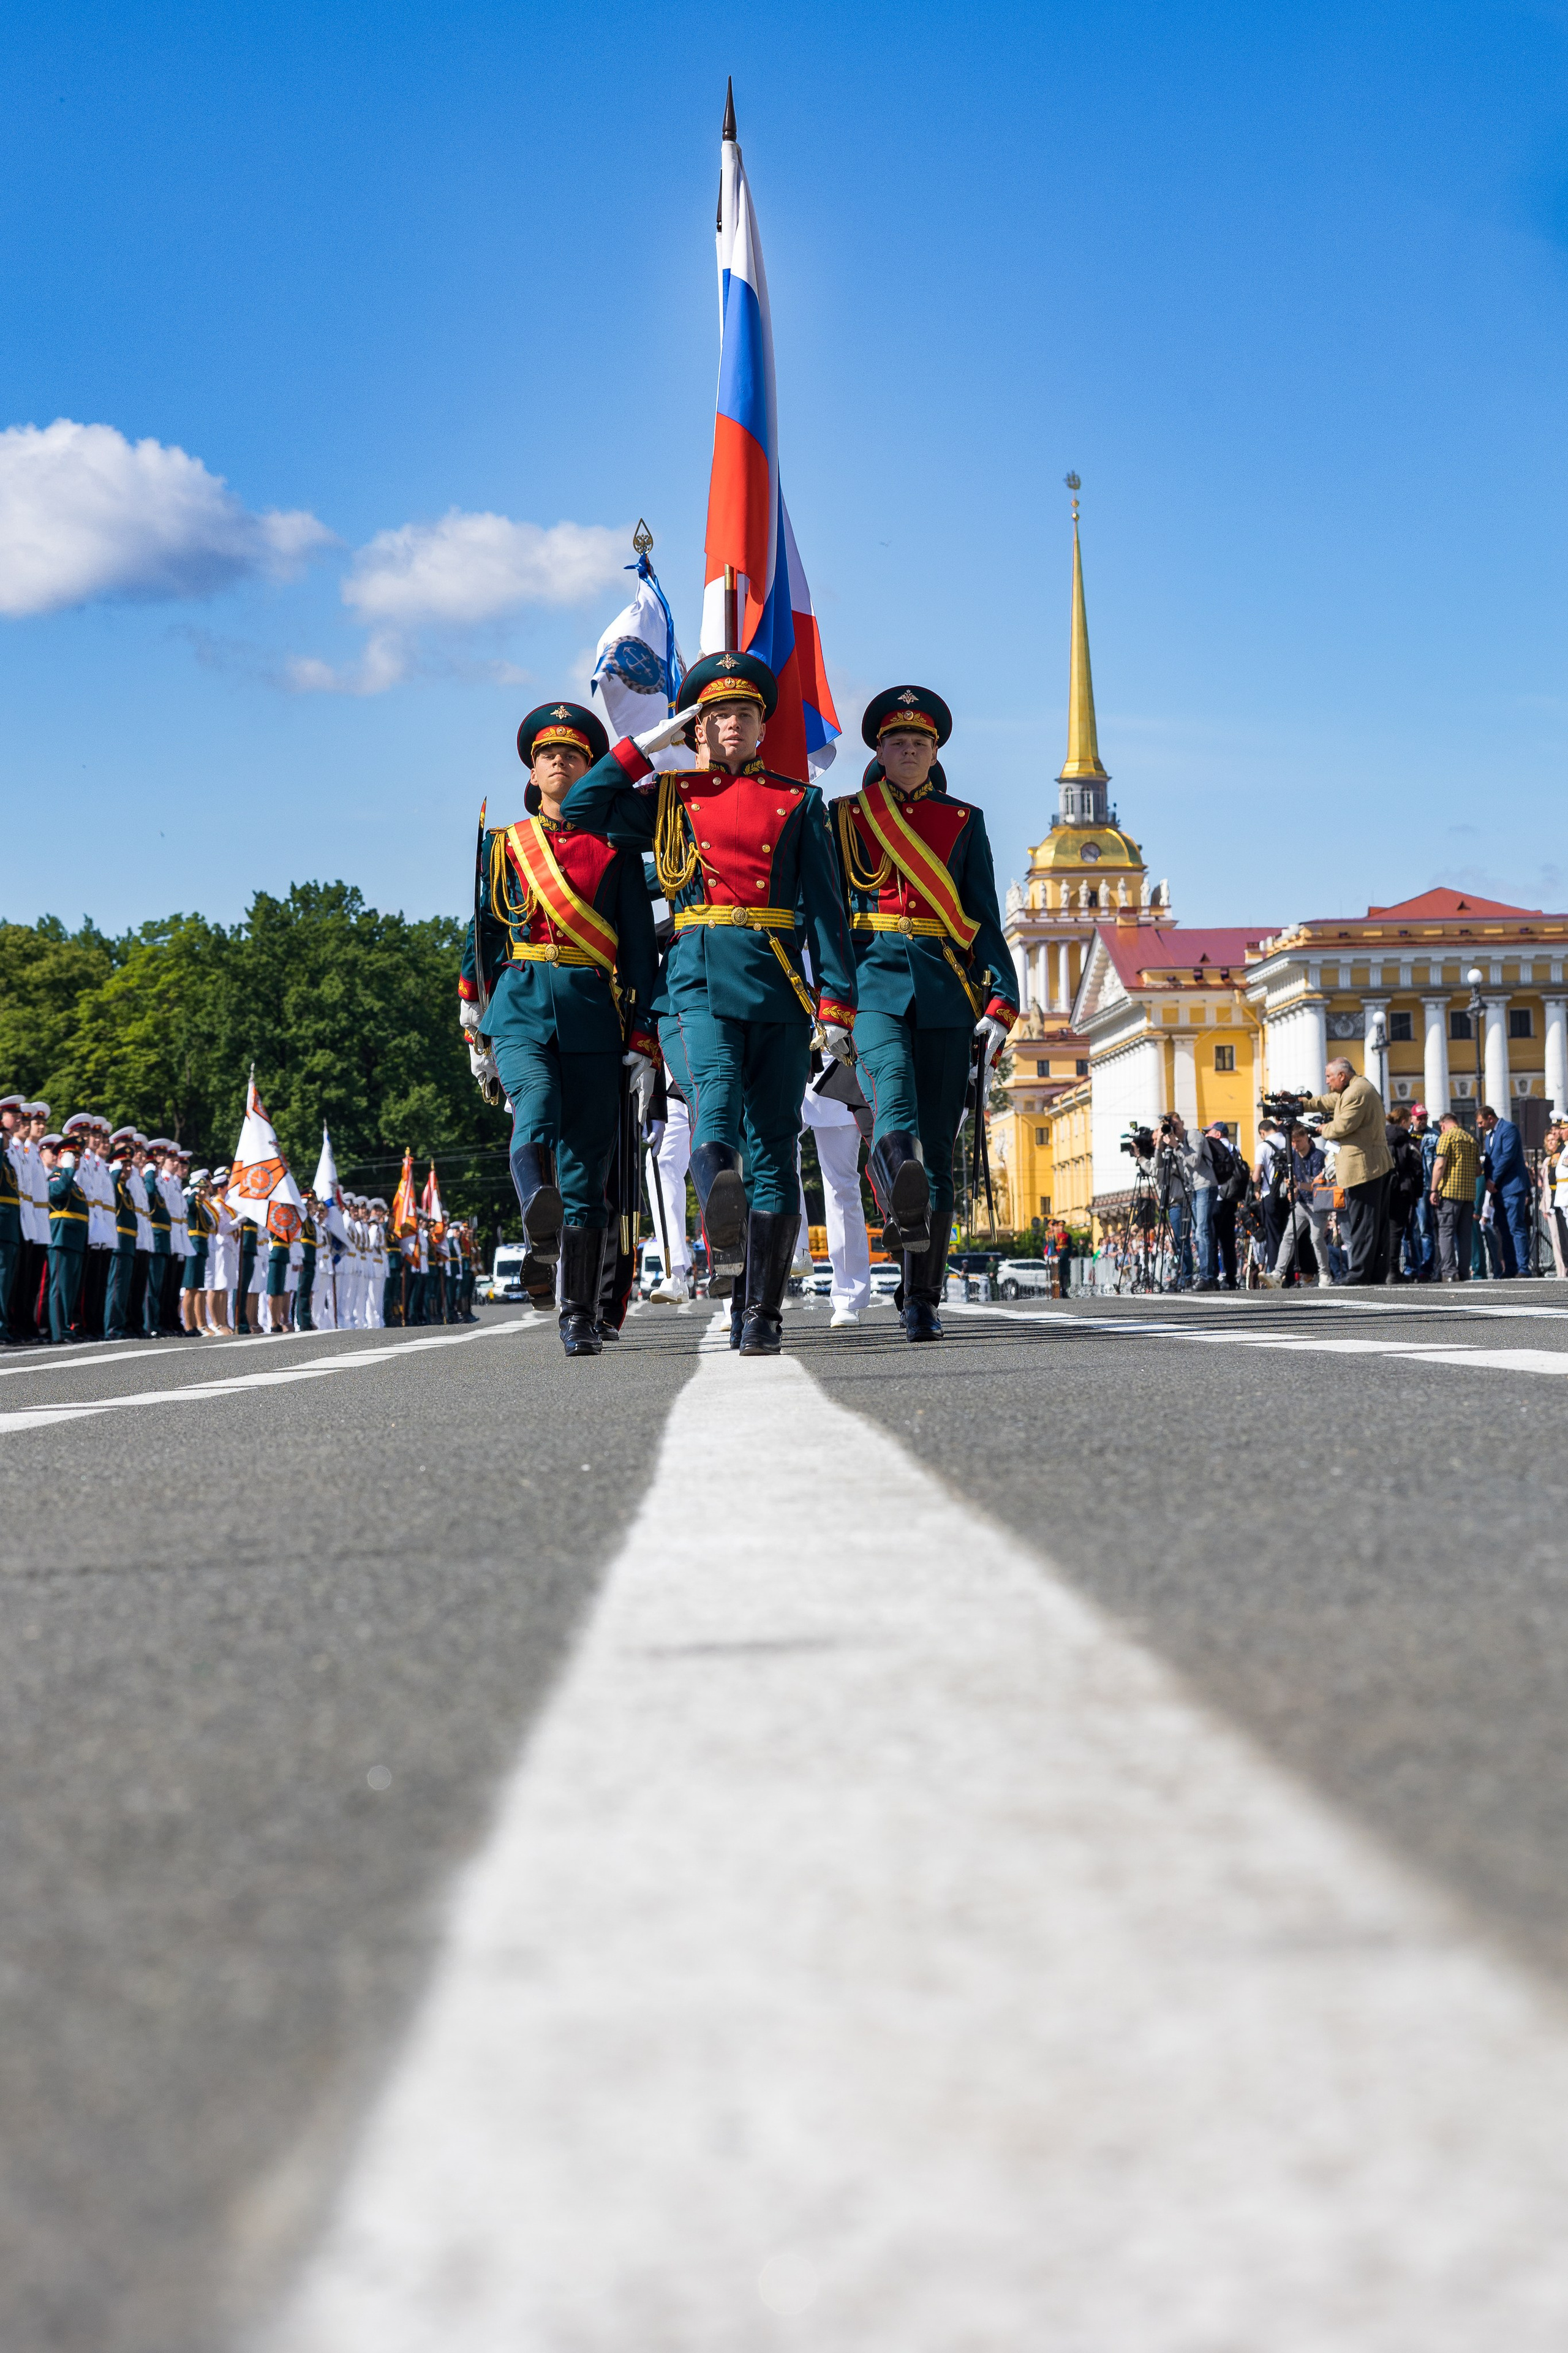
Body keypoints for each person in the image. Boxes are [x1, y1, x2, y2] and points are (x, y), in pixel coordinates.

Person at [560, 657, 858, 1357]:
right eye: (717, 715)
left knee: (776, 1145)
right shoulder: (669, 797)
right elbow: (580, 808)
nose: (732, 725)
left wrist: (837, 1003)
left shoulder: (798, 801)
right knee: (715, 1107)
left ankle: (761, 1310)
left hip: (776, 986)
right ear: (697, 728)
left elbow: (826, 911)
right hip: (695, 982)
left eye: (745, 714)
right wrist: (646, 745)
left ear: (761, 727)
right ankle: (725, 1239)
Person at [831, 684, 1017, 1339]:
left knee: (936, 1151)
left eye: (920, 742)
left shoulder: (964, 820)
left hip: (945, 992)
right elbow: (827, 917)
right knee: (896, 1110)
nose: (908, 750)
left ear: (935, 753)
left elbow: (984, 916)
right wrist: (830, 999)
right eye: (897, 741)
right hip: (873, 988)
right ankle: (899, 1214)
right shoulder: (844, 818)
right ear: (879, 752)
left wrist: (1002, 999)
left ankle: (921, 1299)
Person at [1300, 1059, 1393, 1285]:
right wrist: (1300, 1104)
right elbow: (1327, 1101)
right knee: (1374, 1224)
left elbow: (1343, 1126)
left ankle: (1359, 1273)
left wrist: (1323, 1129)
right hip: (1371, 1165)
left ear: (1342, 1076)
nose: (1327, 1082)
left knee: (1363, 1223)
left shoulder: (1356, 1092)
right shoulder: (1354, 1088)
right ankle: (1374, 1273)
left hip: (1364, 1167)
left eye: (1329, 1077)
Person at [801, 1081, 871, 1327]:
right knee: (770, 1161)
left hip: (834, 1073)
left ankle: (848, 1295)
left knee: (841, 1185)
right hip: (780, 1065)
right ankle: (795, 1248)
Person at [1261, 1124, 1333, 1288]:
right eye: (1293, 1142)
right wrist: (1292, 1190)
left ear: (1307, 1138)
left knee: (1316, 1239)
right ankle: (1278, 1273)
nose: (1295, 1145)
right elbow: (1294, 1182)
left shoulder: (1317, 1157)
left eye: (1298, 1141)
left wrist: (1297, 1185)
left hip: (1317, 1204)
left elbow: (1317, 1185)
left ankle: (1324, 1273)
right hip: (1302, 1203)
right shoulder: (1293, 1156)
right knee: (1289, 1236)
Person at [1478, 1104, 1534, 1278]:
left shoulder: (1509, 1129)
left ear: (1490, 1118)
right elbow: (1490, 1162)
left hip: (1513, 1187)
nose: (1479, 1126)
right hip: (1499, 1191)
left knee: (1516, 1226)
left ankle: (1523, 1267)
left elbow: (1507, 1157)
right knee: (1503, 1229)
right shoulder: (1489, 1137)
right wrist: (1489, 1183)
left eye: (1481, 1122)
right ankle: (1510, 1268)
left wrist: (1493, 1180)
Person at [1430, 1110, 1479, 1280]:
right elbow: (1478, 1170)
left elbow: (1440, 1164)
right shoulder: (1471, 1139)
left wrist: (1434, 1189)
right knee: (1465, 1235)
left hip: (1450, 1193)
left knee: (1446, 1233)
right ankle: (1464, 1273)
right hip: (1468, 1195)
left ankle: (1449, 1272)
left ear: (1443, 1125)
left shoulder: (1447, 1137)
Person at [1382, 1106, 1424, 1285]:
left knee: (1384, 1231)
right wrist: (1418, 1192)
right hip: (1402, 1190)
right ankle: (1393, 1271)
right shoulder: (1407, 1140)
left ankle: (1384, 1270)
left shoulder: (1382, 1138)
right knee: (1396, 1231)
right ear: (1403, 1121)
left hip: (1383, 1190)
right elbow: (1417, 1167)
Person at [1204, 1121, 1246, 1290]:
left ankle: (1213, 1276)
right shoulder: (1235, 1148)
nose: (1206, 1135)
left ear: (1218, 1134)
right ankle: (1231, 1277)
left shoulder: (1215, 1146)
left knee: (1212, 1237)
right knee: (1228, 1239)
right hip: (1232, 1196)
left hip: (1218, 1195)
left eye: (1210, 1132)